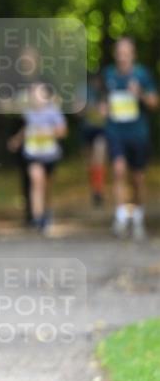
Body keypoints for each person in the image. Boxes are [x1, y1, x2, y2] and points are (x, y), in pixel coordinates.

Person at [102, 37, 158, 240]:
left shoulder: (142, 75)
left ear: (133, 54)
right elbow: (105, 102)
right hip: (115, 131)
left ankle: (138, 218)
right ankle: (120, 218)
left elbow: (154, 103)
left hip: (138, 134)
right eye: (119, 52)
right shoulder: (108, 74)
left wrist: (140, 94)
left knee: (137, 178)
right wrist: (103, 108)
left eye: (126, 52)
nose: (122, 56)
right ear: (115, 54)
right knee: (118, 170)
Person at [7, 82, 67, 234]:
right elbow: (26, 128)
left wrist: (47, 131)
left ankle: (47, 212)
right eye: (32, 94)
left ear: (46, 96)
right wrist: (17, 140)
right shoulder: (28, 113)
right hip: (33, 154)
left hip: (49, 154)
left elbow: (62, 132)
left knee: (46, 186)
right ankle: (38, 217)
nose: (35, 96)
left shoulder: (53, 112)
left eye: (38, 93)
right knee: (36, 180)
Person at [81, 73, 107, 206]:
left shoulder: (105, 92)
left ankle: (99, 190)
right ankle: (94, 188)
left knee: (99, 159)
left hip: (100, 131)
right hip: (87, 130)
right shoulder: (84, 91)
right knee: (91, 163)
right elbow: (77, 110)